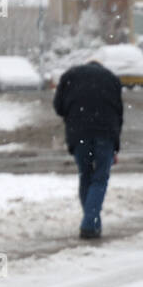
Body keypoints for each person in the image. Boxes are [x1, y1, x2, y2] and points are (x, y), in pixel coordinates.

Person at [53, 55, 123, 239]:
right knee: (99, 178)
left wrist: (74, 112)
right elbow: (118, 112)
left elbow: (58, 107)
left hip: (79, 134)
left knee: (85, 176)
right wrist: (115, 146)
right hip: (105, 135)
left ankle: (91, 223)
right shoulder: (111, 79)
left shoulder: (70, 76)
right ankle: (90, 224)